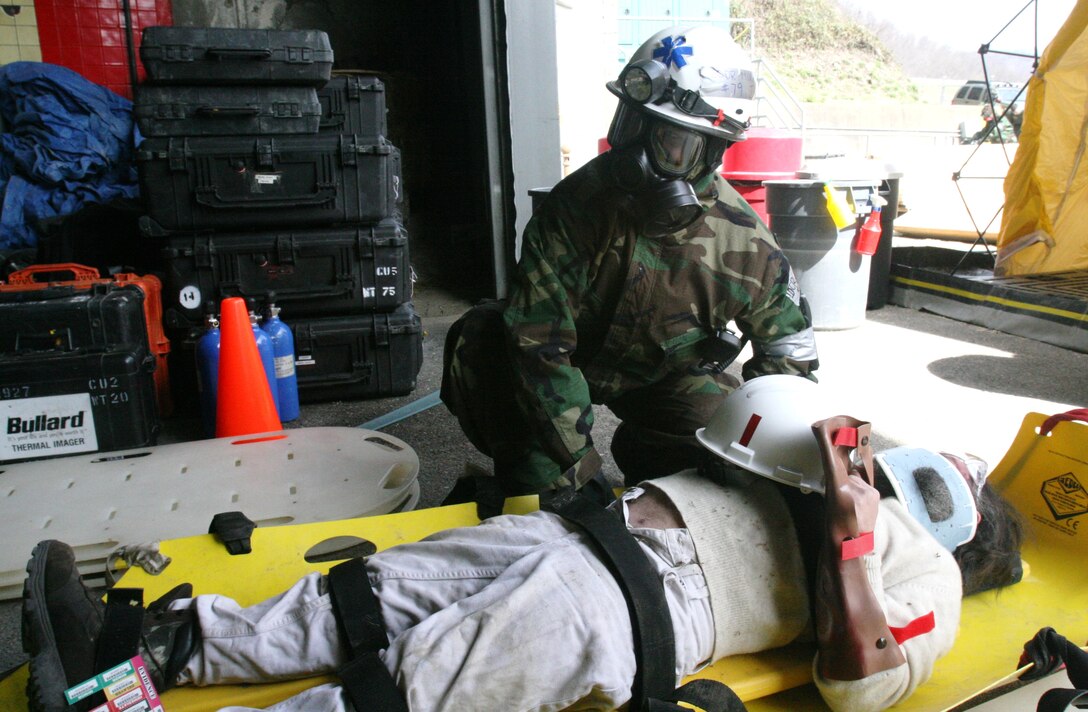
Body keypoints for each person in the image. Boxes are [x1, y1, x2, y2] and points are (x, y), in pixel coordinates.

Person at [22, 377, 1024, 712]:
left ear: (972, 525)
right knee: (356, 598)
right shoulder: (846, 463)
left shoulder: (920, 563)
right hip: (575, 531)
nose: (960, 463)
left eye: (972, 481)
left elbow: (861, 682)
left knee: (413, 684)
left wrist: (849, 549)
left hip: (636, 607)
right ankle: (137, 661)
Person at [441, 25, 818, 501]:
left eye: (668, 142)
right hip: (566, 358)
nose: (636, 154)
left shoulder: (747, 245)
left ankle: (649, 450)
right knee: (486, 348)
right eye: (631, 125)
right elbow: (538, 346)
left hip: (662, 372)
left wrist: (765, 452)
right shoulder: (574, 207)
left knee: (719, 469)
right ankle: (535, 469)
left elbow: (791, 356)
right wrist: (579, 473)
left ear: (712, 151)